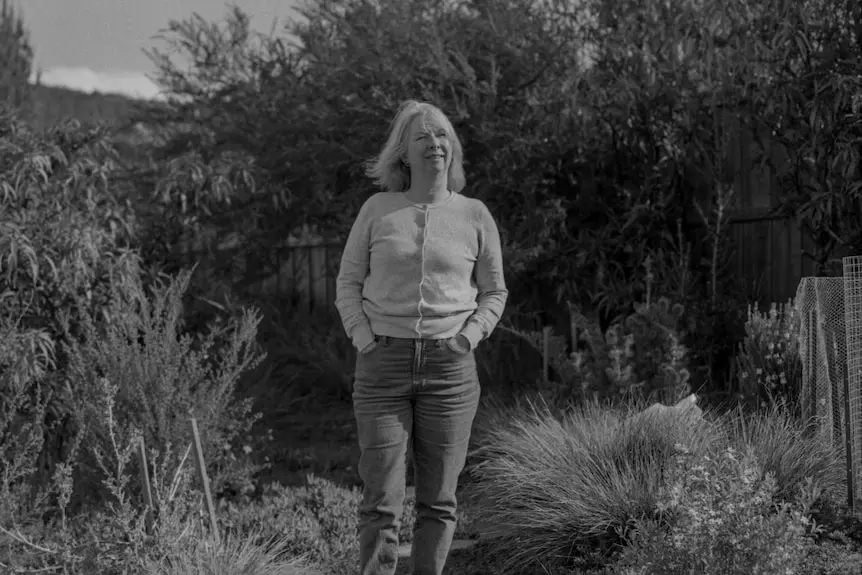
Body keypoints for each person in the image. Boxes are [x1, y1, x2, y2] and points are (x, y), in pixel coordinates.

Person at [335, 100, 508, 575]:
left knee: (438, 500)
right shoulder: (378, 209)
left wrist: (467, 339)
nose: (434, 143)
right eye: (422, 137)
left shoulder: (475, 214)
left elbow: (495, 291)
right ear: (403, 155)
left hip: (450, 370)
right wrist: (363, 337)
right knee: (381, 500)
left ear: (452, 148)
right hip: (382, 366)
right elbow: (348, 282)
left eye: (442, 135)